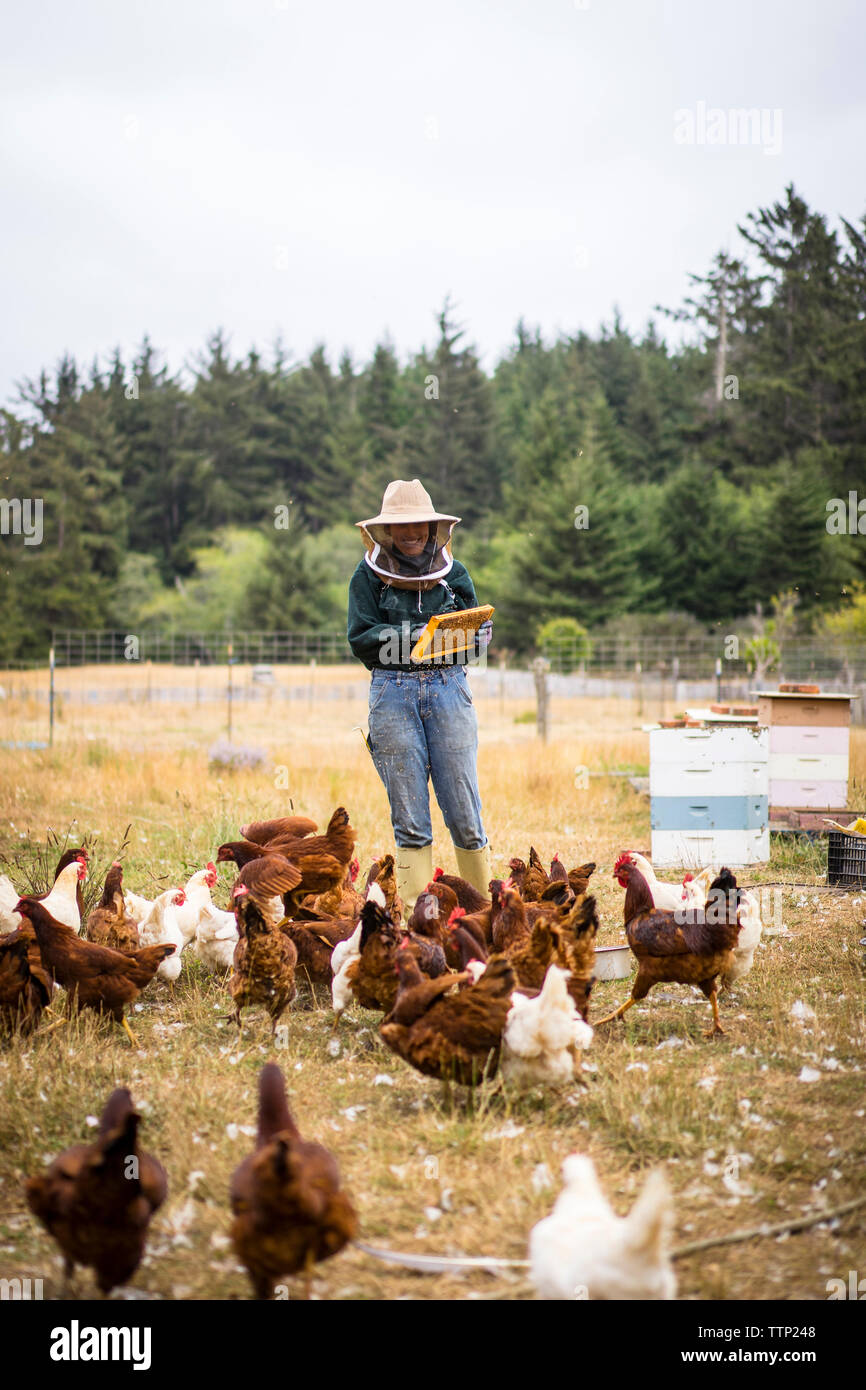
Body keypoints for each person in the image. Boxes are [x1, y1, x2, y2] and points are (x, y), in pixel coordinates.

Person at [347, 478, 492, 911]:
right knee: (410, 816)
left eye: (420, 526)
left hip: (450, 688)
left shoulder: (456, 573)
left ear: (433, 529)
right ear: (386, 532)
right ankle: (416, 919)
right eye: (402, 527)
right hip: (392, 693)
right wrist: (417, 637)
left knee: (464, 809)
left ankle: (483, 912)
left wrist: (480, 633)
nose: (411, 534)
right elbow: (361, 637)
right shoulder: (366, 576)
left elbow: (476, 634)